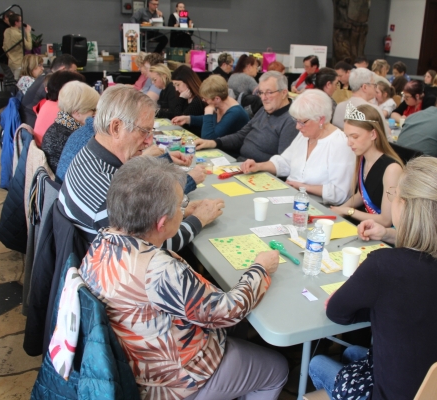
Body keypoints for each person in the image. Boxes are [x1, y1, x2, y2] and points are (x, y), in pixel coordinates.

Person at [79, 155, 288, 400]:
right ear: (161, 222)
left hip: (132, 358)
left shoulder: (103, 240)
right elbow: (228, 312)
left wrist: (185, 212)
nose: (183, 210)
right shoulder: (158, 270)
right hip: (172, 380)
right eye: (180, 206)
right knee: (277, 367)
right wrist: (260, 269)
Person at [311, 156, 437, 400]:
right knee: (354, 351)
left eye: (392, 194)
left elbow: (337, 312)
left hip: (395, 394)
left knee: (317, 363)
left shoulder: (383, 265)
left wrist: (374, 306)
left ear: (403, 205)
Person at [58, 85, 210, 247]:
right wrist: (199, 219)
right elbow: (150, 246)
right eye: (144, 131)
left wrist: (180, 212)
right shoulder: (106, 194)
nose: (148, 141)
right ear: (116, 128)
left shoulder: (90, 154)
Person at [240, 89, 355, 205]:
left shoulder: (340, 144)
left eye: (302, 122)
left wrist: (303, 187)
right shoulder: (304, 135)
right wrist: (259, 166)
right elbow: (284, 162)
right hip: (290, 197)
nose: (297, 127)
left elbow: (340, 193)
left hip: (317, 206)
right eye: (296, 120)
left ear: (321, 119)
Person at [194, 71, 298, 162]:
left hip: (259, 172)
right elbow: (241, 136)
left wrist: (258, 167)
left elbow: (283, 162)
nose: (263, 98)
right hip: (241, 163)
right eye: (261, 92)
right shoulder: (264, 110)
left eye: (269, 92)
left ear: (284, 93)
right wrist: (213, 142)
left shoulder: (291, 120)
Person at [330, 104, 403, 227]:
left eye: (355, 136)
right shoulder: (363, 158)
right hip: (366, 225)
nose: (349, 143)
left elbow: (386, 220)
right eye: (347, 136)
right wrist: (336, 210)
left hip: (383, 234)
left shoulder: (392, 169)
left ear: (373, 134)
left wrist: (348, 211)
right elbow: (362, 195)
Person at [41, 81, 99, 173]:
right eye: (93, 110)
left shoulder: (58, 127)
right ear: (77, 113)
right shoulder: (74, 136)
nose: (96, 114)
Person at [171, 75, 249, 140]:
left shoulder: (235, 112)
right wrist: (188, 119)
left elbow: (208, 138)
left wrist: (208, 113)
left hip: (231, 153)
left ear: (217, 98)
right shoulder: (223, 102)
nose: (204, 100)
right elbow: (215, 121)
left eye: (205, 99)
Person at [21, 54, 78, 126]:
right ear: (63, 69)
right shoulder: (50, 82)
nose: (76, 75)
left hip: (31, 119)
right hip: (33, 123)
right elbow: (64, 104)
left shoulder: (46, 76)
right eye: (74, 71)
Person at [33, 71, 85, 147]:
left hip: (44, 150)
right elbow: (83, 132)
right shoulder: (62, 110)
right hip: (52, 154)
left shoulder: (47, 103)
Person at [332, 68, 391, 135]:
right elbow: (386, 137)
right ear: (364, 87)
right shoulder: (373, 110)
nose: (375, 88)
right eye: (374, 85)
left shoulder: (339, 107)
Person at [171, 65, 205, 135]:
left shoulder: (198, 100)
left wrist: (181, 99)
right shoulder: (186, 97)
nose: (176, 89)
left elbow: (179, 119)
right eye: (174, 85)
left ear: (188, 82)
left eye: (178, 85)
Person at [2, 13, 32, 80]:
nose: (23, 22)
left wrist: (10, 56)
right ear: (16, 22)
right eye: (21, 21)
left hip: (11, 62)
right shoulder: (18, 35)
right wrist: (27, 32)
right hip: (18, 63)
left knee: (14, 81)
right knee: (19, 82)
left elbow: (4, 47)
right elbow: (29, 46)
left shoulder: (6, 31)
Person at [0, 10, 16, 89]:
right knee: (9, 75)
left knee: (9, 75)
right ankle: (8, 94)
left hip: (6, 56)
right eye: (11, 17)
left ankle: (8, 94)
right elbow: (1, 42)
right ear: (6, 18)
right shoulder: (1, 27)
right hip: (4, 56)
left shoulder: (6, 27)